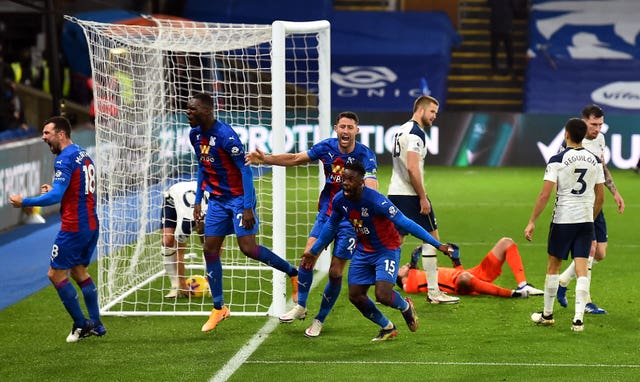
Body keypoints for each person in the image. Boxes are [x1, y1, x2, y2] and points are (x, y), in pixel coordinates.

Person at [245, 111, 378, 338]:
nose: (346, 131)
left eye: (350, 127)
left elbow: (372, 185)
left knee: (335, 272)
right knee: (307, 256)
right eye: (342, 127)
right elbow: (296, 159)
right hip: (327, 214)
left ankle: (319, 319)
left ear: (357, 130)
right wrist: (265, 158)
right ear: (336, 128)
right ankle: (301, 306)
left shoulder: (365, 155)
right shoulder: (326, 147)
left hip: (350, 221)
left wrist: (370, 209)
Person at [307, 160, 459, 341]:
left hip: (386, 249)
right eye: (344, 178)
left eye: (350, 179)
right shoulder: (340, 200)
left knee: (383, 294)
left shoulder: (376, 201)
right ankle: (387, 327)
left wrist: (437, 244)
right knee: (355, 296)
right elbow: (331, 226)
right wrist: (314, 250)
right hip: (363, 250)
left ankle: (405, 307)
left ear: (361, 181)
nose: (345, 182)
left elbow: (405, 222)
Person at [187, 93, 299, 333]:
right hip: (217, 200)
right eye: (188, 109)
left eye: (192, 109)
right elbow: (202, 166)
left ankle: (293, 273)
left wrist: (248, 206)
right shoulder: (194, 134)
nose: (188, 113)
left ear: (206, 111)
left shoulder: (226, 137)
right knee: (209, 248)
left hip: (239, 200)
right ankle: (219, 308)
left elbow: (246, 171)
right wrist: (198, 200)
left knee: (247, 248)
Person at [9, 116, 106, 343]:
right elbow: (76, 188)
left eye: (47, 133)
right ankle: (97, 323)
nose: (43, 137)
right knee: (79, 272)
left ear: (60, 134)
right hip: (91, 223)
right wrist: (56, 189)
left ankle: (82, 325)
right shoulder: (82, 153)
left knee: (55, 274)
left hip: (74, 227)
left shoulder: (64, 160)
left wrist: (25, 201)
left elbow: (55, 196)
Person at [524, 118, 605, 332]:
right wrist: (590, 215)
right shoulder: (595, 160)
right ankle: (578, 319)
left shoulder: (558, 159)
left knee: (554, 266)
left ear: (567, 134)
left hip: (563, 220)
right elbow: (600, 198)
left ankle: (547, 315)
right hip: (586, 222)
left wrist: (532, 221)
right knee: (582, 269)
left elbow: (544, 194)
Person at [388, 95, 459, 304]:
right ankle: (434, 292)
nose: (434, 117)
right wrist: (422, 198)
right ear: (420, 110)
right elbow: (412, 167)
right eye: (432, 112)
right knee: (432, 240)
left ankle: (379, 283)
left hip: (395, 192)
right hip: (411, 195)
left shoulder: (401, 130)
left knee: (395, 242)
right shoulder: (416, 134)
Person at [556, 105, 625, 314]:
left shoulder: (600, 140)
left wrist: (615, 192)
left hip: (596, 201)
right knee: (591, 248)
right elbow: (558, 171)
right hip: (578, 204)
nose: (597, 129)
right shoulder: (572, 142)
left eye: (600, 124)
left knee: (600, 252)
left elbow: (601, 168)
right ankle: (585, 302)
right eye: (593, 124)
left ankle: (563, 280)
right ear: (583, 120)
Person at [397, 237, 543, 298]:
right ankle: (510, 293)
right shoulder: (410, 284)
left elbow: (457, 273)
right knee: (465, 278)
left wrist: (456, 261)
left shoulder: (423, 273)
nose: (403, 266)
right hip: (462, 283)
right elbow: (406, 288)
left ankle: (523, 285)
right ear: (401, 277)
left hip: (471, 274)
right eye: (400, 269)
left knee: (506, 242)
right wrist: (413, 263)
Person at [161, 180, 207, 298]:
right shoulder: (185, 224)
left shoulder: (212, 218)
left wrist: (210, 279)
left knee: (210, 245)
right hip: (173, 198)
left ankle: (212, 281)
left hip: (200, 197)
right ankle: (175, 285)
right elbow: (180, 252)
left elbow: (217, 246)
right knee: (168, 242)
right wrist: (182, 284)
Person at [487, 0, 515, 76]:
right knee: (508, 49)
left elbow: (489, 3)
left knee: (494, 49)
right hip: (506, 25)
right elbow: (515, 6)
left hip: (496, 24)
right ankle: (510, 69)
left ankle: (494, 69)